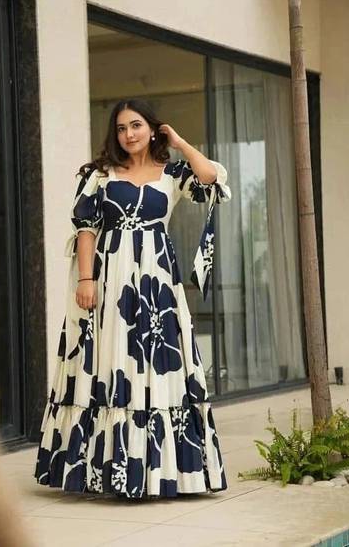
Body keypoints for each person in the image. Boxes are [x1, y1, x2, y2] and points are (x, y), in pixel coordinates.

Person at [34, 98, 232, 499]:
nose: (129, 134)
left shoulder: (172, 173)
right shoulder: (98, 175)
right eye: (122, 128)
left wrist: (179, 142)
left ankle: (159, 472)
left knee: (157, 367)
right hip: (110, 283)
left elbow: (210, 177)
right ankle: (107, 472)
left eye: (136, 125)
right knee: (111, 365)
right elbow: (86, 229)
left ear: (152, 128)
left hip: (158, 285)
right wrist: (86, 280)